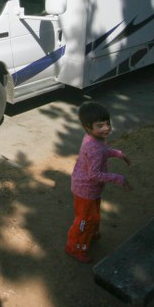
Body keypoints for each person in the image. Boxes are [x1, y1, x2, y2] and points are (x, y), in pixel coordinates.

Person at [65, 101, 131, 263]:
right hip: (85, 190)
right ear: (88, 128)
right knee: (84, 220)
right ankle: (75, 247)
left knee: (92, 215)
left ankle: (92, 232)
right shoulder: (93, 146)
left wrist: (117, 153)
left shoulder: (94, 139)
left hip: (90, 189)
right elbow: (94, 174)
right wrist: (118, 178)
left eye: (107, 123)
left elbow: (102, 152)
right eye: (100, 125)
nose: (106, 128)